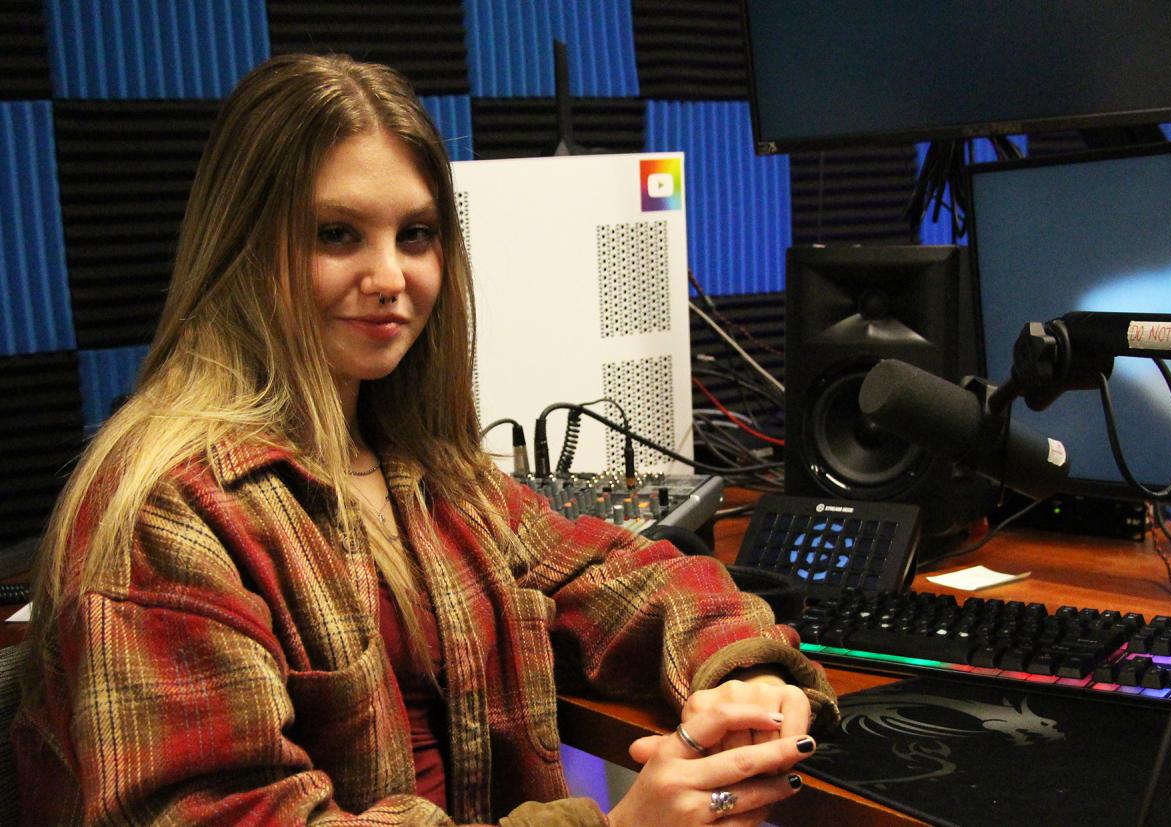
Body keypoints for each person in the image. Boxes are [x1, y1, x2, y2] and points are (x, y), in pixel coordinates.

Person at [13, 53, 838, 825]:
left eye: (415, 234)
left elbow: (616, 573)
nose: (390, 278)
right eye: (337, 234)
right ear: (243, 248)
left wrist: (744, 673)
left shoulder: (421, 466)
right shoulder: (167, 512)